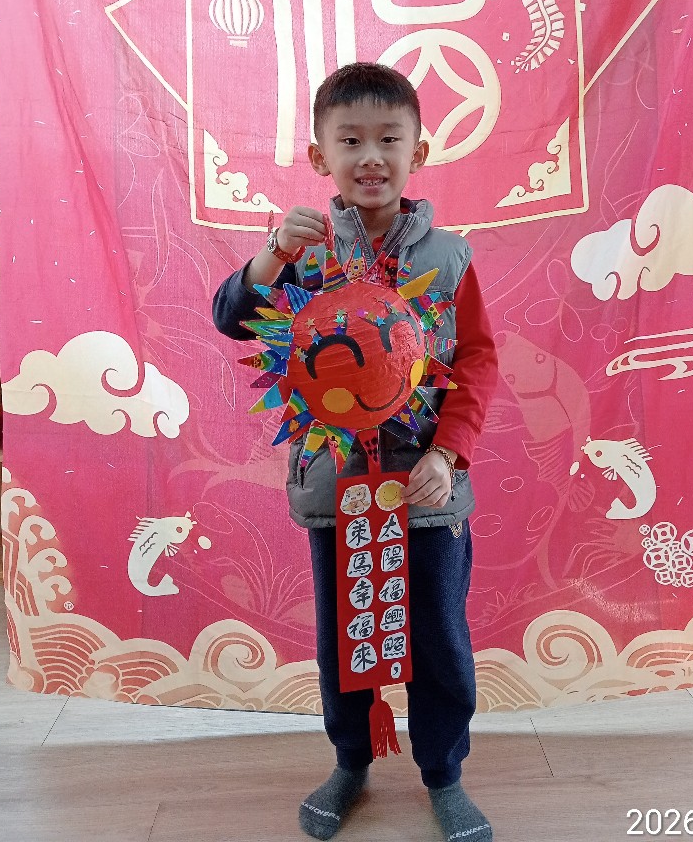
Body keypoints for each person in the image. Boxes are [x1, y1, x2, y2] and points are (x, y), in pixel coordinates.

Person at [213, 62, 499, 842]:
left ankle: (444, 775)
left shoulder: (449, 257)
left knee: (439, 637)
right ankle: (351, 763)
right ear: (320, 157)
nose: (370, 157)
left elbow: (477, 362)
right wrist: (272, 252)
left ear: (419, 151)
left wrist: (451, 454)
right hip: (336, 490)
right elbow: (231, 318)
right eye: (349, 141)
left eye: (388, 139)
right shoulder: (301, 253)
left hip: (426, 489)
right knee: (346, 635)